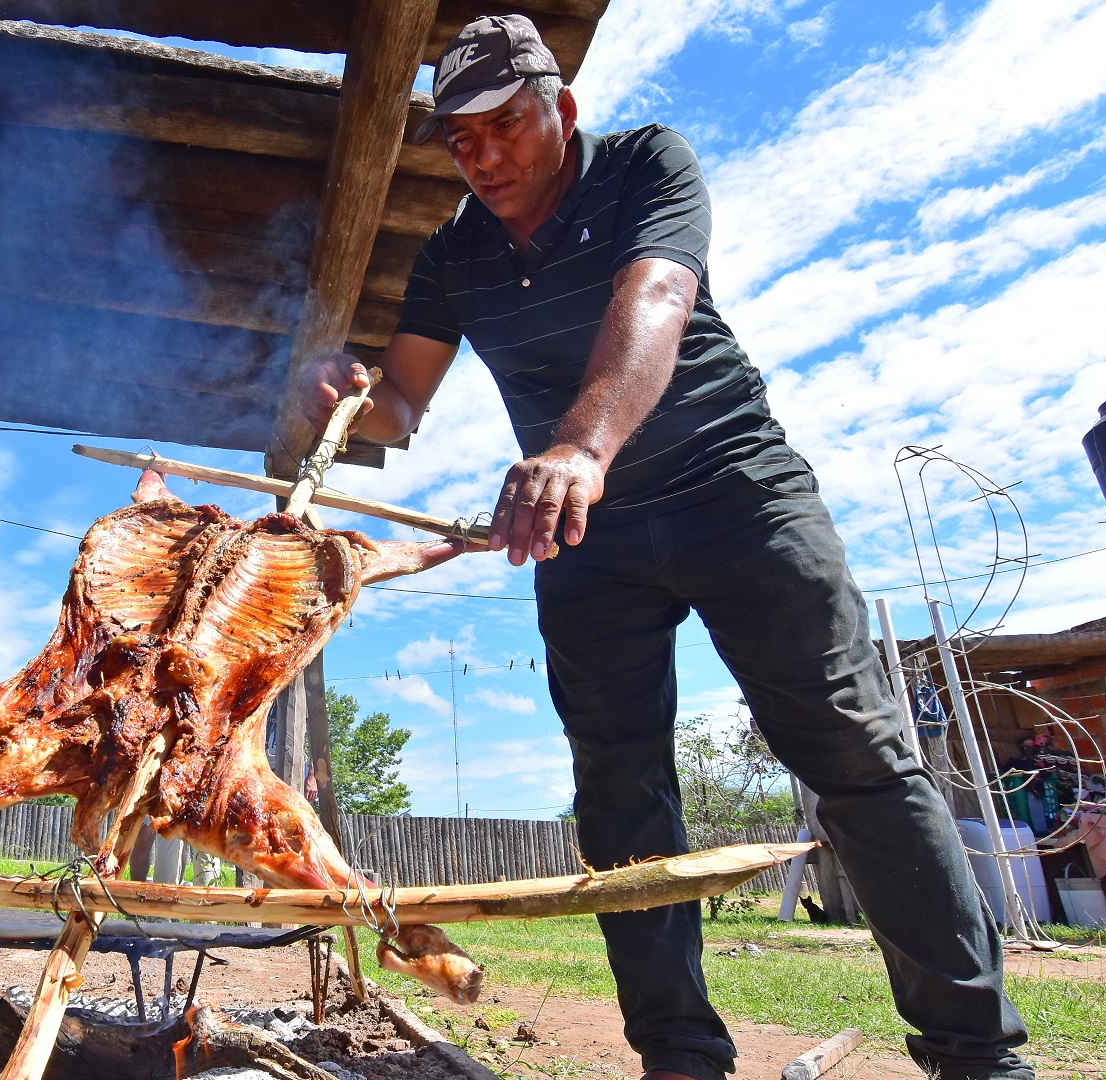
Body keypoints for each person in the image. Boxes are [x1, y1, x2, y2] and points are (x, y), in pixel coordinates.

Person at [298, 15, 1033, 1080]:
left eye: (506, 125)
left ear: (564, 111)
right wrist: (355, 395)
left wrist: (581, 447)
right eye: (461, 140)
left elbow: (657, 295)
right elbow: (403, 402)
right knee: (619, 789)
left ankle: (974, 1053)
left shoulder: (647, 164)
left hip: (739, 497)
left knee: (858, 756)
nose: (484, 155)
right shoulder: (453, 253)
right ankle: (679, 1056)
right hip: (587, 537)